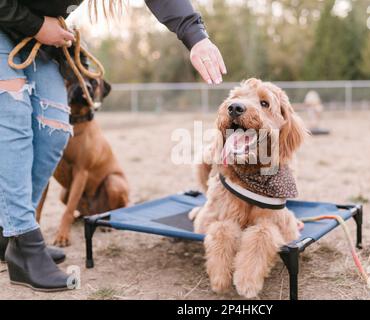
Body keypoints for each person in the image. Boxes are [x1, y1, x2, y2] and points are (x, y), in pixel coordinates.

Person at [0, 0, 226, 292]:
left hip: (42, 38)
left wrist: (196, 37)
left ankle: (12, 234)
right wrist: (37, 25)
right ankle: (25, 240)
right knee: (14, 123)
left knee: (55, 129)